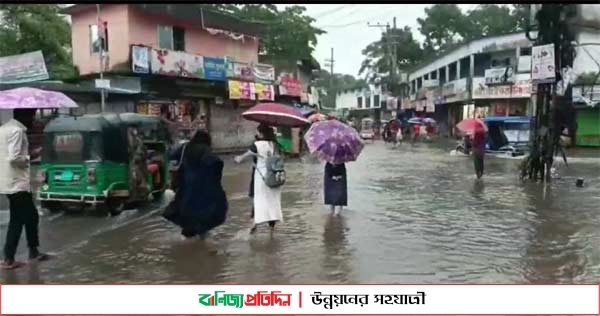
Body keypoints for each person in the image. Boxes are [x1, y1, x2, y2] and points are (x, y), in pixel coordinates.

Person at [0, 109, 49, 269]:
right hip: (17, 183)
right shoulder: (17, 130)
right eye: (32, 115)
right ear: (24, 116)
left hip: (8, 181)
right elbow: (14, 157)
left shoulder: (4, 128)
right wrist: (31, 155)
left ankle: (32, 251)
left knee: (30, 217)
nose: (33, 119)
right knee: (19, 219)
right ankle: (9, 258)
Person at [168, 130, 227, 240]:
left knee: (187, 211)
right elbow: (216, 162)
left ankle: (187, 239)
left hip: (186, 186)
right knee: (204, 213)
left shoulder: (185, 148)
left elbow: (171, 155)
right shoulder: (205, 150)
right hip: (202, 186)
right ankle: (201, 239)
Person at [235, 124, 283, 234]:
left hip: (261, 176)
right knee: (272, 200)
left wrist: (239, 158)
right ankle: (272, 228)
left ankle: (254, 222)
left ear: (261, 133)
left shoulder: (257, 144)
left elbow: (248, 154)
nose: (256, 134)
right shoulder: (275, 145)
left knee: (258, 198)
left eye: (257, 132)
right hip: (274, 176)